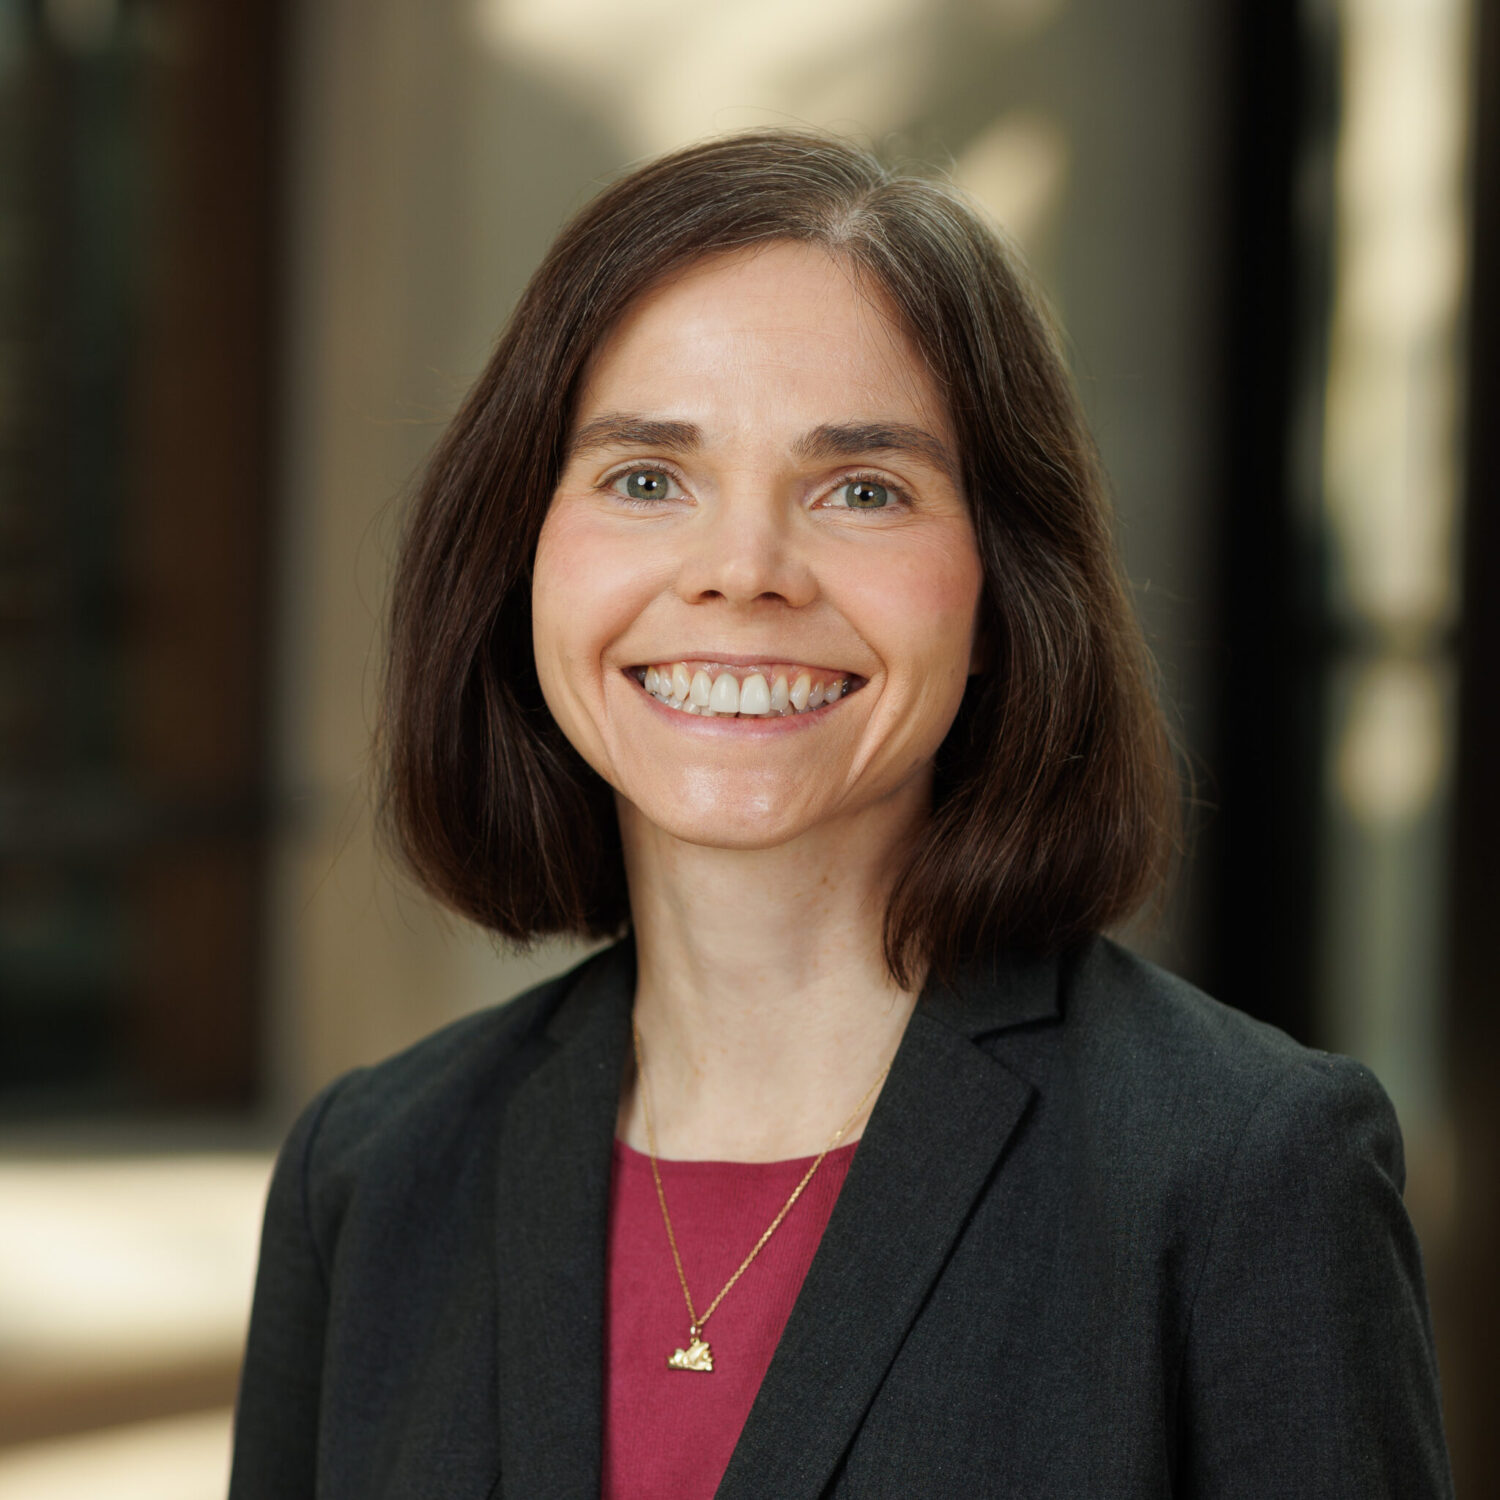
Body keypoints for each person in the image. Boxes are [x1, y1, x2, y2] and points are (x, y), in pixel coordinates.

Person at [228, 131, 1452, 1499]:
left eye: (862, 490)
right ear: (521, 557)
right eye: (647, 478)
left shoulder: (1240, 1172)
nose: (743, 571)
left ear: (1001, 596)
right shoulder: (376, 1172)